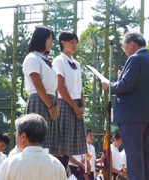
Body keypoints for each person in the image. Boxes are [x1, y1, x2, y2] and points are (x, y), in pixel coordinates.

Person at [101, 31, 149, 180]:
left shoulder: (135, 59)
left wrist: (109, 86)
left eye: (124, 45)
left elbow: (126, 86)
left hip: (131, 115)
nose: (123, 48)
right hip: (146, 114)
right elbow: (136, 85)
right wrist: (121, 79)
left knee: (134, 157)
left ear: (132, 44)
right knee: (146, 155)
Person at [0, 113, 67, 180]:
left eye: (16, 134)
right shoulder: (57, 165)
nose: (15, 136)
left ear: (23, 136)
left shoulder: (11, 163)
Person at [52, 30, 87, 169]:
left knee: (70, 147)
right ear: (63, 43)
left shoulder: (76, 63)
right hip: (65, 105)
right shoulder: (58, 60)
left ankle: (63, 174)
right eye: (71, 42)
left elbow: (79, 87)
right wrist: (74, 106)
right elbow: (60, 87)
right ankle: (57, 174)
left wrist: (82, 106)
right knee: (61, 148)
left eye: (76, 42)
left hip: (77, 106)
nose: (74, 45)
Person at [22, 26, 59, 155]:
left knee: (50, 145)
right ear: (41, 39)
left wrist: (56, 106)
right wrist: (50, 107)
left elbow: (54, 86)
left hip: (51, 103)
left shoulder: (47, 61)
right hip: (39, 100)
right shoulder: (32, 58)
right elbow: (37, 84)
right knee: (37, 143)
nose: (51, 42)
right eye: (49, 39)